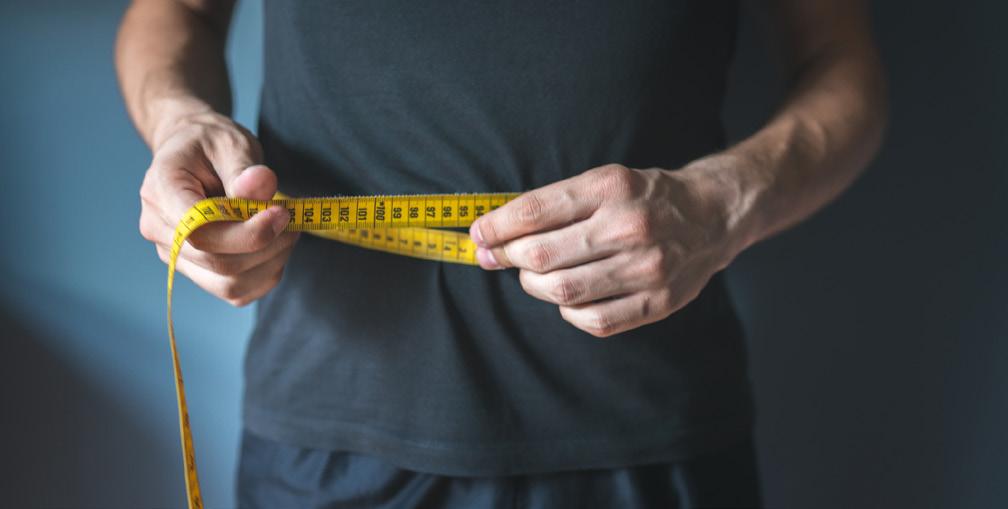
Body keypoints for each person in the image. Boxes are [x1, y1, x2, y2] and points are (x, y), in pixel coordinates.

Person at [116, 0, 886, 507]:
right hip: (327, 443)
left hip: (650, 439)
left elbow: (839, 59)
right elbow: (173, 12)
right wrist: (178, 120)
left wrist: (721, 203)